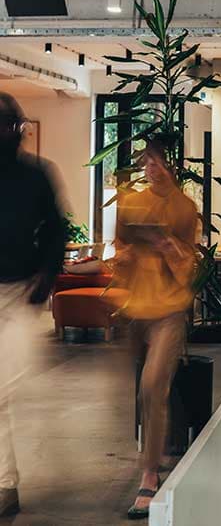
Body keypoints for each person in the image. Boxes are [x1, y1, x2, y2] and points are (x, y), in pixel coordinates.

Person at [112, 140, 198, 519]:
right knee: (148, 391)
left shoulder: (185, 208)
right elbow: (119, 248)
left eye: (159, 162)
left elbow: (189, 263)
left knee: (152, 386)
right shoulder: (131, 203)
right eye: (147, 162)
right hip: (136, 307)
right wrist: (126, 254)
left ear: (171, 166)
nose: (152, 168)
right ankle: (158, 447)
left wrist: (168, 247)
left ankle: (149, 476)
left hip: (170, 308)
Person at [0, 92, 66, 517]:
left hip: (20, 294)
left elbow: (57, 231)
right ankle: (6, 483)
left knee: (2, 389)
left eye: (7, 125)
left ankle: (5, 484)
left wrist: (46, 276)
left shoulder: (36, 176)